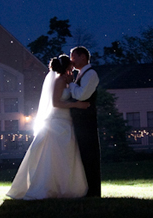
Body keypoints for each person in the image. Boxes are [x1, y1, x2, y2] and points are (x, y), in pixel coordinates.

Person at [6, 55, 90, 200]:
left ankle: (64, 186)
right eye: (71, 66)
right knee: (54, 154)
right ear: (67, 67)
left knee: (65, 155)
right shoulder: (59, 81)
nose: (72, 68)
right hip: (57, 122)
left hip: (65, 121)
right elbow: (56, 103)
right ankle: (49, 187)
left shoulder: (66, 81)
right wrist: (76, 104)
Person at [69, 46, 101, 197]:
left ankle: (93, 191)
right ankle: (86, 189)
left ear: (83, 57)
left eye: (73, 57)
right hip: (81, 121)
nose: (72, 60)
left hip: (87, 121)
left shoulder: (91, 74)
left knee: (90, 154)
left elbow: (82, 95)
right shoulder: (82, 74)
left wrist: (71, 84)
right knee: (83, 155)